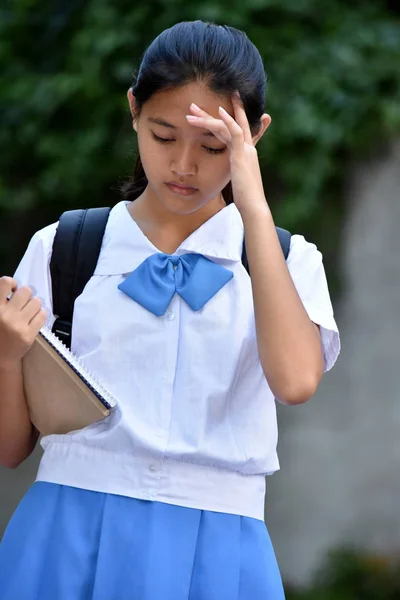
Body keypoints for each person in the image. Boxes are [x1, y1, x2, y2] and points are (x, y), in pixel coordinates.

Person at [0, 20, 340, 600]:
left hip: (220, 546)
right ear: (133, 110)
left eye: (212, 147)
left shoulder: (286, 261)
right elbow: (11, 451)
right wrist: (7, 358)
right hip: (69, 531)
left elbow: (296, 381)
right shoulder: (63, 249)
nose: (184, 165)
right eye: (163, 136)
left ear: (253, 136)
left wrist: (253, 208)